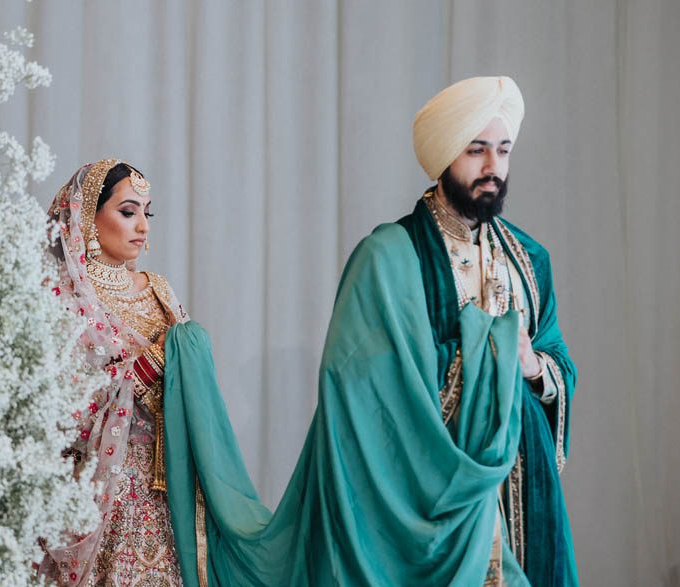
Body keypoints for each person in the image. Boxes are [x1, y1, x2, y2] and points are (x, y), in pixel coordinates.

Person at [163, 76, 577, 586]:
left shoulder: (529, 260)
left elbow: (556, 359)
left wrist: (533, 366)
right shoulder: (386, 259)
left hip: (520, 490)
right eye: (476, 150)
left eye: (503, 150)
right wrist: (485, 352)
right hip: (422, 505)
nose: (493, 167)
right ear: (446, 155)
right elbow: (360, 397)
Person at [41, 159, 188, 587]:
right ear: (88, 217)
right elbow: (56, 404)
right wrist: (145, 366)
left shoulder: (159, 290)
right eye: (128, 212)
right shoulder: (64, 298)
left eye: (147, 212)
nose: (143, 226)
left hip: (167, 485)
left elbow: (191, 380)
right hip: (99, 491)